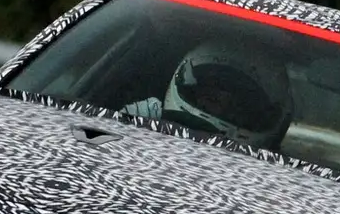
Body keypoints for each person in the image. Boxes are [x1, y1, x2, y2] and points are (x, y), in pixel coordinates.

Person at [122, 42, 294, 149]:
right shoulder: (145, 118)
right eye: (210, 86)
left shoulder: (272, 168)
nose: (219, 96)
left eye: (239, 96)